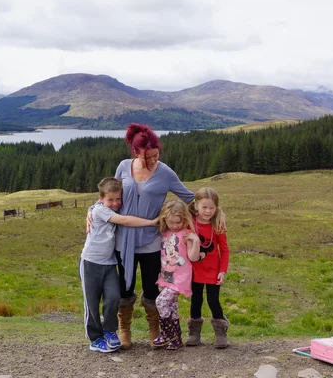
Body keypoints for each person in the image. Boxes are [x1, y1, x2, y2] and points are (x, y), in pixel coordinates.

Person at [88, 123, 195, 349]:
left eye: (157, 155)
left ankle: (155, 329)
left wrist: (207, 219)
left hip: (151, 242)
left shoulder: (166, 173)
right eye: (149, 157)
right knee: (124, 290)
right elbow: (109, 196)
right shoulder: (123, 167)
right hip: (122, 241)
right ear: (136, 152)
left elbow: (190, 198)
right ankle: (124, 328)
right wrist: (91, 212)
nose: (155, 160)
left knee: (150, 288)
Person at [80, 177, 158, 353]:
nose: (115, 203)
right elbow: (125, 221)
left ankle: (109, 331)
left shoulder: (109, 207)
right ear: (101, 199)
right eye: (110, 200)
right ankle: (95, 338)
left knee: (114, 297)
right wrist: (151, 222)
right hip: (91, 262)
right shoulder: (100, 210)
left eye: (118, 198)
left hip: (109, 264)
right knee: (91, 303)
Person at [152, 199, 200, 350]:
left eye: (177, 222)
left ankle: (167, 333)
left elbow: (193, 258)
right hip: (166, 277)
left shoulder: (187, 234)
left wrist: (196, 241)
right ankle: (177, 339)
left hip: (180, 279)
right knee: (172, 308)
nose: (174, 225)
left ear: (184, 219)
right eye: (170, 222)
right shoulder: (164, 232)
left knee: (161, 302)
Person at [186, 187, 230, 349]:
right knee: (196, 300)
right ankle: (194, 333)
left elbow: (224, 250)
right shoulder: (189, 222)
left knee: (213, 300)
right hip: (194, 269)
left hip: (213, 270)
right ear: (196, 205)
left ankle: (220, 331)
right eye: (204, 207)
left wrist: (222, 271)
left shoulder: (218, 224)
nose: (208, 211)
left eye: (212, 207)